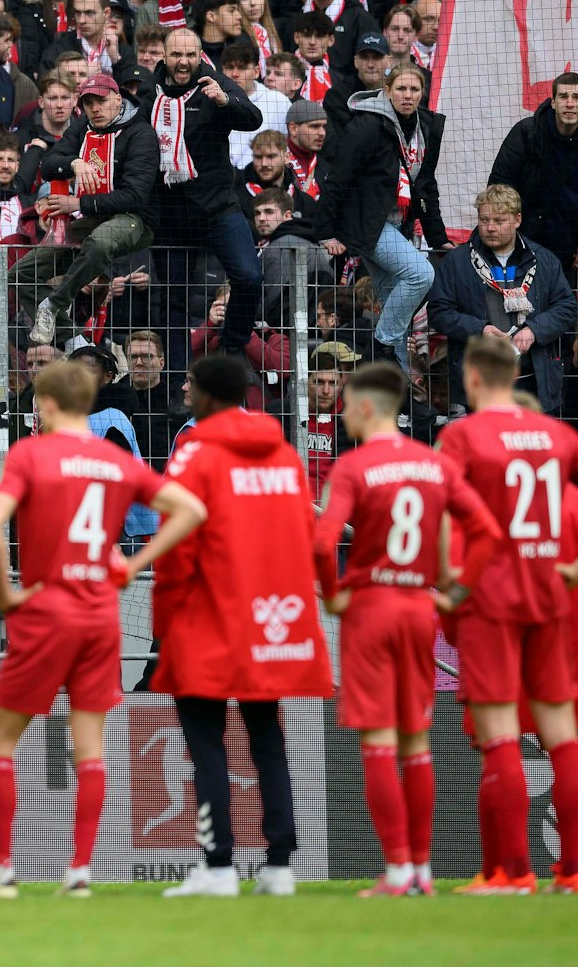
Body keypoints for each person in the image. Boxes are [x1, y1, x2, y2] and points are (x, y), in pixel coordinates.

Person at [0, 360, 207, 898]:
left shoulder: (30, 454)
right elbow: (189, 508)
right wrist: (133, 567)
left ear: (46, 405)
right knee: (89, 746)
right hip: (99, 615)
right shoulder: (113, 460)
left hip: (47, 611)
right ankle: (79, 871)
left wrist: (7, 592)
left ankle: (2, 869)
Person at [437, 336, 578, 894]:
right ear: (517, 371)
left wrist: (451, 584)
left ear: (473, 376)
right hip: (550, 600)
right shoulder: (556, 436)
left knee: (500, 735)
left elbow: (446, 516)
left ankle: (514, 873)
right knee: (562, 736)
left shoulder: (462, 437)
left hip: (492, 602)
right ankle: (571, 872)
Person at [312, 363, 503, 897]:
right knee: (416, 742)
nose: (342, 412)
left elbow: (324, 543)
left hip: (371, 610)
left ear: (368, 407)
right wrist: (457, 592)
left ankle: (396, 869)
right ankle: (421, 869)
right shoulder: (432, 464)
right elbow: (486, 531)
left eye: (347, 403)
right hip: (420, 608)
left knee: (378, 742)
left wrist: (334, 596)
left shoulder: (351, 468)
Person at [147, 354, 333, 897]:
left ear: (205, 395)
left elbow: (176, 540)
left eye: (188, 382)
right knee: (266, 736)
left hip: (208, 615)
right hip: (270, 615)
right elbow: (305, 529)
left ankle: (218, 865)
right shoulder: (281, 453)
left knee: (205, 742)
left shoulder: (194, 453)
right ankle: (279, 865)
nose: (184, 389)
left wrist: (166, 618)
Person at [142, 28, 267, 362]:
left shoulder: (215, 83)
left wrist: (225, 102)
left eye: (190, 55)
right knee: (174, 299)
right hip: (169, 213)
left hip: (217, 207)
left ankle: (232, 343)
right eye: (177, 55)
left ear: (200, 56)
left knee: (249, 275)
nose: (184, 62)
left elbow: (253, 118)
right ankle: (178, 380)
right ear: (165, 56)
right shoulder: (148, 92)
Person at [317, 63, 445, 371]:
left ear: (422, 93)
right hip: (367, 225)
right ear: (387, 91)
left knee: (393, 305)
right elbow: (338, 178)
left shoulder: (426, 127)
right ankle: (381, 345)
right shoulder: (367, 125)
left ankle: (397, 391)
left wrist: (438, 237)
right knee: (421, 275)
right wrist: (326, 231)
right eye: (400, 89)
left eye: (414, 89)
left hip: (397, 223)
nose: (407, 95)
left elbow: (425, 185)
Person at [21, 73, 158, 346]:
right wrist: (74, 163)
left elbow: (134, 196)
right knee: (21, 273)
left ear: (118, 99)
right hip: (92, 216)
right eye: (88, 103)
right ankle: (75, 343)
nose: (95, 109)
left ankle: (54, 303)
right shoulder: (84, 126)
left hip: (134, 219)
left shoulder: (141, 134)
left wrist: (78, 204)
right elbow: (49, 165)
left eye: (101, 101)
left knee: (99, 242)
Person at [427, 186, 578, 416]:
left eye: (499, 220)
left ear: (517, 220)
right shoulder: (457, 262)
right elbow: (438, 312)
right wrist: (480, 330)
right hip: (479, 380)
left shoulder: (544, 260)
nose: (489, 227)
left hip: (534, 379)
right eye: (484, 219)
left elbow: (566, 307)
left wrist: (534, 331)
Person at [487, 72, 578, 272]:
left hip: (569, 248)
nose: (570, 103)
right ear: (553, 102)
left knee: (562, 303)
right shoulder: (527, 133)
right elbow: (500, 185)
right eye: (563, 97)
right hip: (522, 240)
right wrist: (509, 233)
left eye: (576, 97)